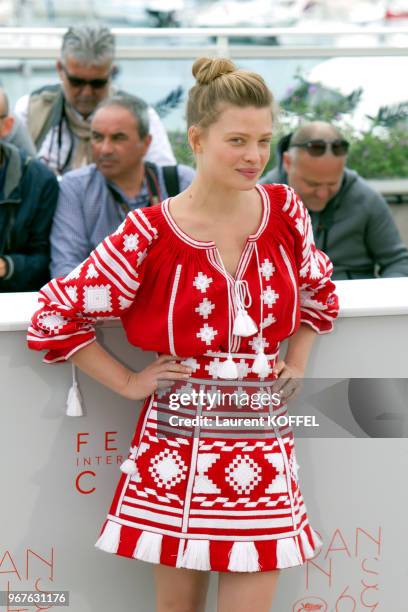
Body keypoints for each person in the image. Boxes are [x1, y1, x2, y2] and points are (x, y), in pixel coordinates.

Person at [27, 58, 339, 612]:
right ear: (196, 138)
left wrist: (299, 358)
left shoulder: (285, 211)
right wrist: (127, 381)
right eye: (237, 140)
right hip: (177, 446)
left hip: (261, 441)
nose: (254, 156)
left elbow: (318, 287)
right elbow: (57, 314)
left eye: (264, 140)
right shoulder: (148, 235)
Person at [50, 93, 195, 277]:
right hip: (102, 303)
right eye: (97, 137)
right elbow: (65, 270)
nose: (105, 149)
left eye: (118, 138)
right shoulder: (76, 187)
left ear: (146, 143)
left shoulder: (181, 183)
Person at [14, 25, 176, 176]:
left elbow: (164, 180)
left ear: (111, 73)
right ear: (60, 69)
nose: (86, 93)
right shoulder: (30, 109)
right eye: (76, 82)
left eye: (97, 83)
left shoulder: (142, 116)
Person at [262, 121, 408, 280]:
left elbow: (398, 262)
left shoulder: (368, 200)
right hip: (282, 301)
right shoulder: (258, 199)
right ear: (288, 162)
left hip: (357, 301)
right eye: (312, 184)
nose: (323, 194)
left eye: (333, 183)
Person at [0, 89, 58, 292]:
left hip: (11, 302)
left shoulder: (38, 181)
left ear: (7, 126)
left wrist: (8, 266)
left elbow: (46, 260)